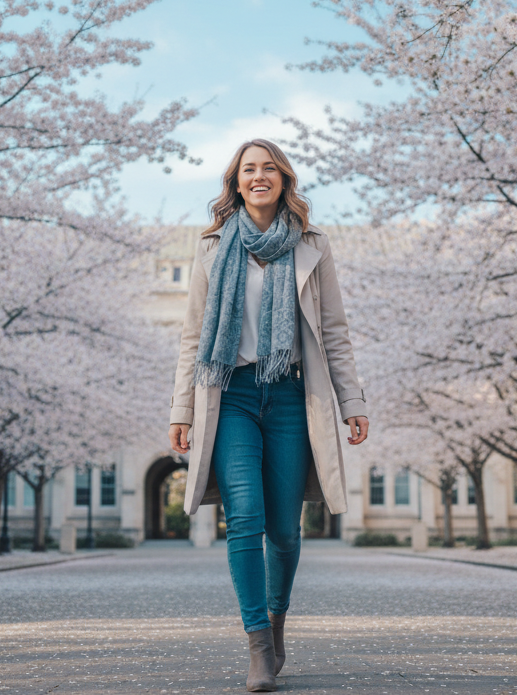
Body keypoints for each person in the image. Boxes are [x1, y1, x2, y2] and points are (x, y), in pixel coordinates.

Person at [168, 139, 369, 692]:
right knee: (246, 519)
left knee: (284, 528)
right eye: (248, 170)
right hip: (227, 393)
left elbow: (334, 332)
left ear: (283, 179)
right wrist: (181, 409)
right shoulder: (211, 247)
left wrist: (352, 401)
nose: (259, 177)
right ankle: (258, 644)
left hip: (289, 396)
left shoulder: (311, 245)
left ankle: (277, 621)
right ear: (235, 182)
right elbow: (192, 338)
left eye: (269, 169)